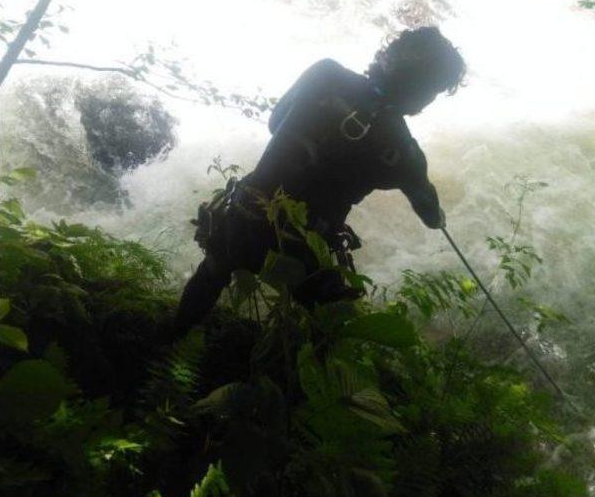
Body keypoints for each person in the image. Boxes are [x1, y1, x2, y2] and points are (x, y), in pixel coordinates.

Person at [173, 26, 466, 338]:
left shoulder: (325, 74)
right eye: (433, 92)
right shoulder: (404, 153)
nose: (429, 102)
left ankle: (171, 342)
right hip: (300, 254)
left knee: (214, 271)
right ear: (421, 90)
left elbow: (276, 123)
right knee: (332, 323)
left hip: (244, 218)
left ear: (389, 56)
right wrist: (437, 216)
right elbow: (428, 211)